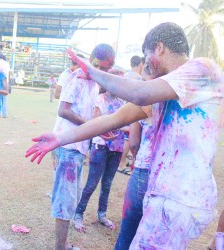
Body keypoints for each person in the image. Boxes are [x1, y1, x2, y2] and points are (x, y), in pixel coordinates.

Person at [26, 22, 224, 249]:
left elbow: (139, 92)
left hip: (180, 199)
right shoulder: (167, 92)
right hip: (166, 197)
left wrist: (91, 70)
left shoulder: (203, 69)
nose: (146, 62)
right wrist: (61, 138)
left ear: (159, 48)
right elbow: (112, 119)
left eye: (147, 55)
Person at [50, 44, 114, 250]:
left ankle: (64, 244)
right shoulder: (78, 77)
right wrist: (92, 127)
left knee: (71, 198)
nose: (101, 71)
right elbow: (63, 110)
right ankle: (61, 247)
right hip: (67, 146)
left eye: (106, 68)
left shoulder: (95, 81)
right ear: (91, 61)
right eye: (98, 66)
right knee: (65, 200)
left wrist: (96, 128)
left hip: (77, 147)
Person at [73, 68, 127, 233]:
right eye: (115, 81)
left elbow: (128, 124)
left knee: (107, 184)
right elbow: (96, 124)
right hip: (100, 147)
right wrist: (116, 128)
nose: (118, 85)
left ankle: (102, 214)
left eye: (121, 82)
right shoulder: (100, 99)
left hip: (117, 148)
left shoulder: (123, 103)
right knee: (92, 183)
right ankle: (78, 214)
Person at [114, 65, 155, 250]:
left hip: (143, 170)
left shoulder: (145, 102)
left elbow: (134, 143)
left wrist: (136, 158)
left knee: (127, 233)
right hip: (168, 177)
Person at [117, 55, 145, 174]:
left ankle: (121, 161)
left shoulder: (125, 76)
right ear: (140, 64)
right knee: (129, 138)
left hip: (121, 109)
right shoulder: (139, 79)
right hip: (132, 110)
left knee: (124, 138)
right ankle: (122, 163)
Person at [0, 51, 11, 118]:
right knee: (5, 98)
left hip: (0, 81)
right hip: (6, 81)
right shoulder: (6, 63)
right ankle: (4, 113)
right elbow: (9, 72)